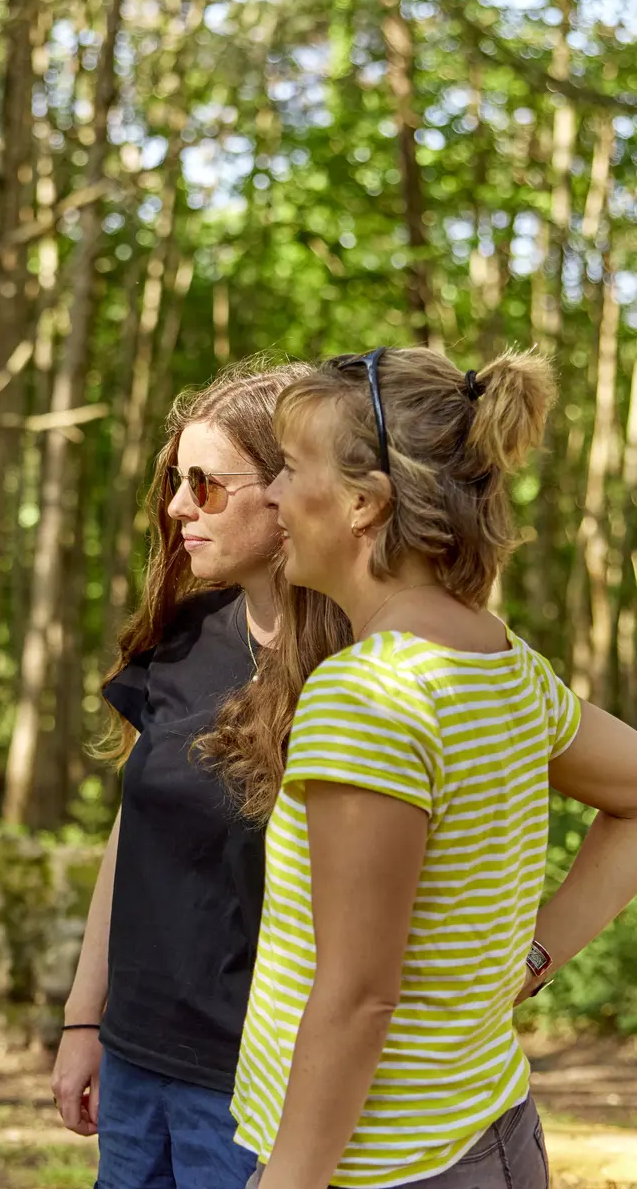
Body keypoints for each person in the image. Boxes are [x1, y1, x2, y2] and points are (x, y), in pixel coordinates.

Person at [230, 345, 637, 1189]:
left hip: (382, 1169)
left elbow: (356, 997)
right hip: (489, 1131)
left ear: (363, 506)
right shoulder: (500, 660)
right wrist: (535, 958)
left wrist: (288, 1179)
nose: (269, 493)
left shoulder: (367, 696)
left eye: (290, 468)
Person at [50, 359, 349, 1189]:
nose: (178, 506)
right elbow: (134, 831)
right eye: (176, 482)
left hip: (262, 1085)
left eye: (206, 485)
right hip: (137, 1064)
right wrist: (85, 1020)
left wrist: (528, 959)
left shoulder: (371, 674)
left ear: (288, 493)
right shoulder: (181, 637)